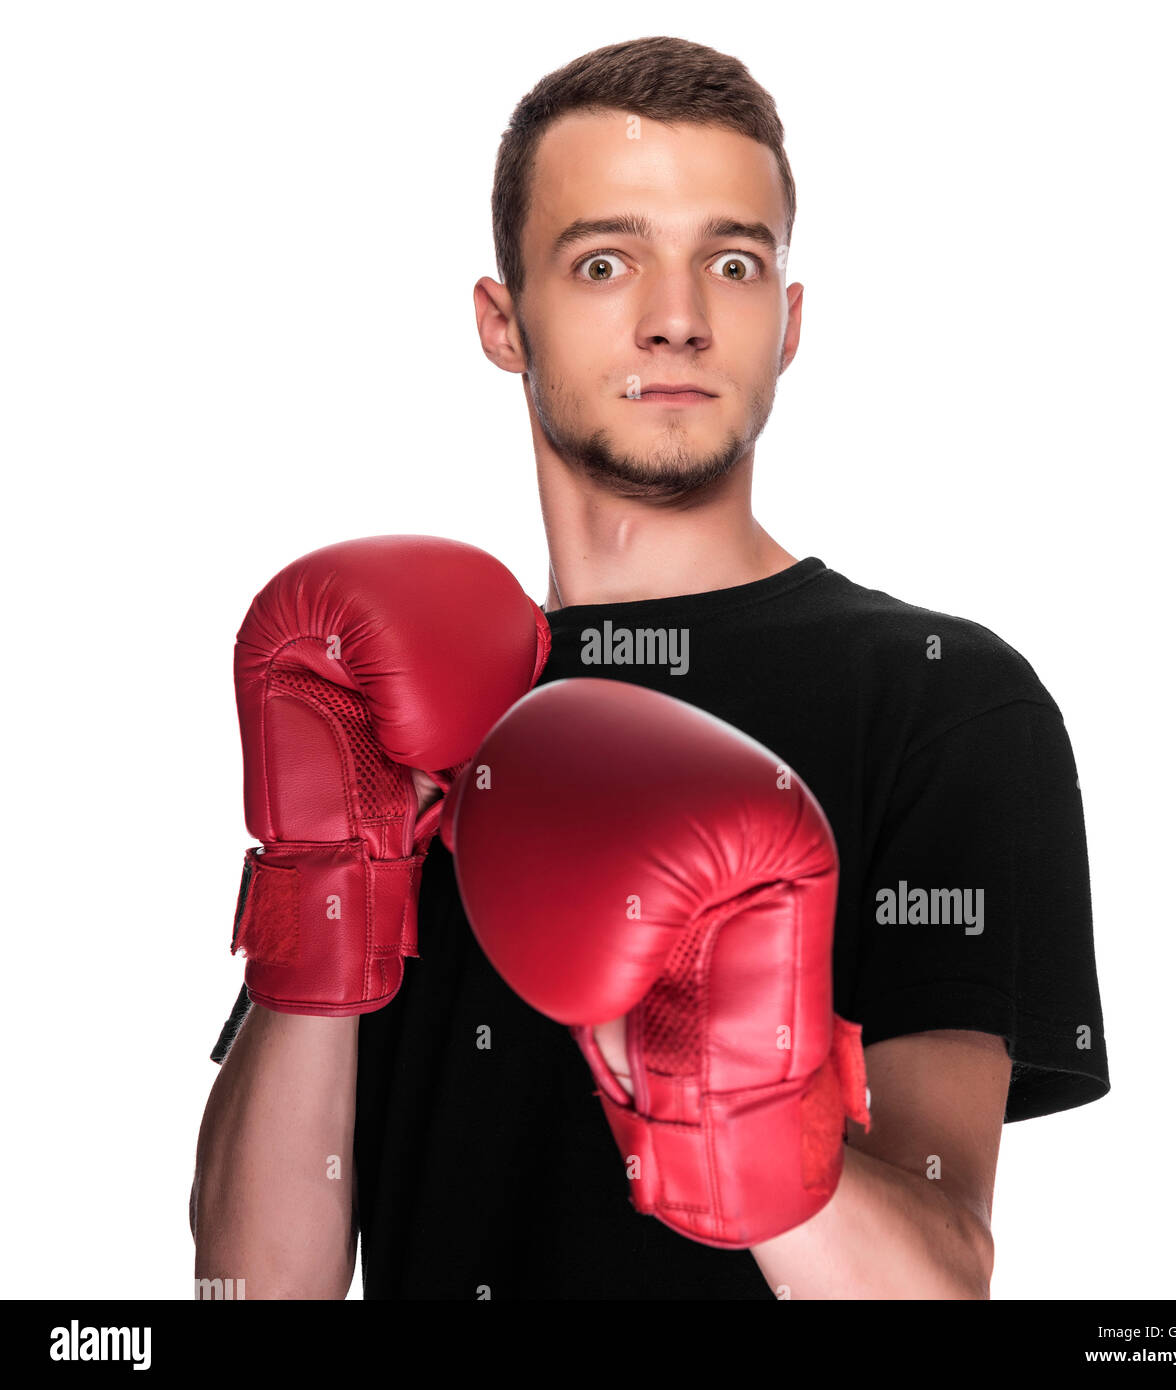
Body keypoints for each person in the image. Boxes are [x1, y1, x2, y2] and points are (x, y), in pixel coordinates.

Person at [192, 35, 1108, 1300]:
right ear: (501, 320)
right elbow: (255, 1287)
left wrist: (732, 1106)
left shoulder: (946, 704)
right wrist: (327, 884)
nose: (676, 318)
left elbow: (938, 1287)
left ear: (786, 322)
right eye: (606, 260)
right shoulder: (395, 693)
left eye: (730, 262)